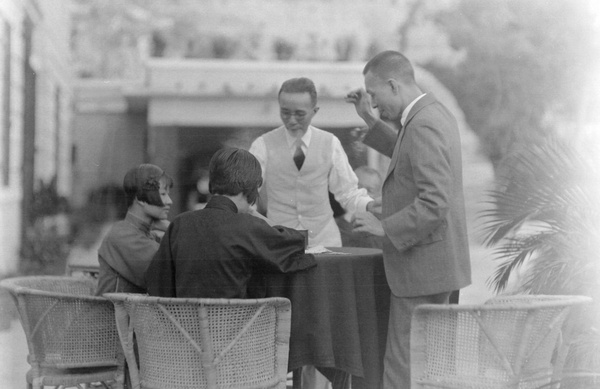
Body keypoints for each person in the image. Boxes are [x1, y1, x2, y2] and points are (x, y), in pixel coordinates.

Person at [345, 50, 471, 388]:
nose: (372, 104)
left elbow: (434, 202)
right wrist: (370, 123)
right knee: (431, 370)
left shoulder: (424, 123)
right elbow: (408, 152)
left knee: (401, 370)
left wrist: (384, 228)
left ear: (392, 84)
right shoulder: (431, 113)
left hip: (420, 271)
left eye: (373, 95)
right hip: (437, 267)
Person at [145, 147, 316, 298]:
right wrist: (255, 214)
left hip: (183, 329)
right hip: (237, 330)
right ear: (255, 186)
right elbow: (297, 242)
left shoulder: (179, 224)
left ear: (211, 183)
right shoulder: (248, 226)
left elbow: (158, 284)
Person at [249, 77, 375, 248]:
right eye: (285, 112)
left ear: (315, 111)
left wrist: (372, 207)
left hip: (325, 242)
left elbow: (348, 192)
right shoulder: (261, 145)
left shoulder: (330, 143)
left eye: (299, 114)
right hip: (278, 245)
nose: (291, 120)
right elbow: (247, 195)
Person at [95, 163, 173, 296]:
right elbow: (171, 271)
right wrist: (172, 229)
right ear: (140, 198)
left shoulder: (145, 234)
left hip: (130, 316)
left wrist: (169, 228)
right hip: (109, 316)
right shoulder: (123, 235)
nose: (169, 201)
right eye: (163, 194)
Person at [337, 166, 384, 249]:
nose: (362, 193)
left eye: (370, 190)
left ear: (378, 195)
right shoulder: (333, 219)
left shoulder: (380, 226)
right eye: (358, 187)